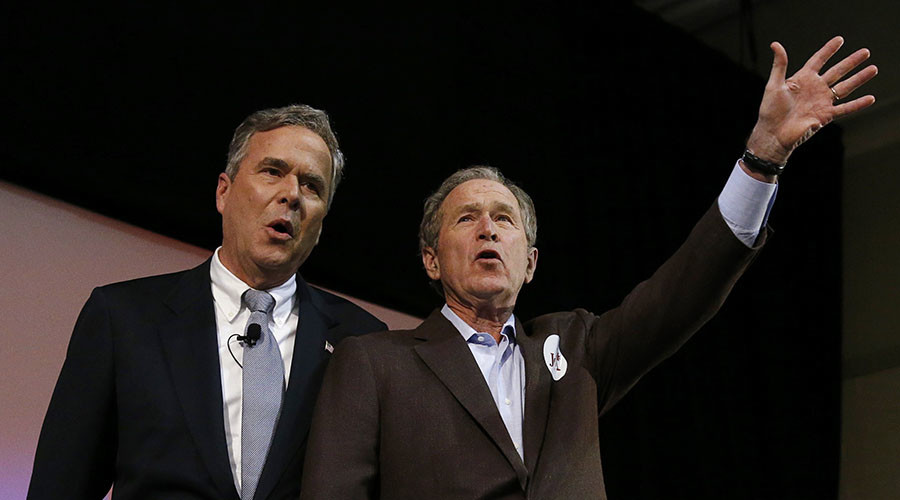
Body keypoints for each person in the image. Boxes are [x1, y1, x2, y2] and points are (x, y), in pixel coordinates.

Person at [299, 37, 877, 499]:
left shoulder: (578, 350)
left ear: (530, 263)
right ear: (430, 258)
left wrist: (763, 157)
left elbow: (684, 290)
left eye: (504, 219)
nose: (487, 228)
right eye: (466, 219)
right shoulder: (374, 363)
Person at [28, 104, 387, 500]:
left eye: (312, 186)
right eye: (272, 171)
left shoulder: (362, 341)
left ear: (320, 226)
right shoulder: (123, 317)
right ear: (224, 191)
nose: (291, 195)